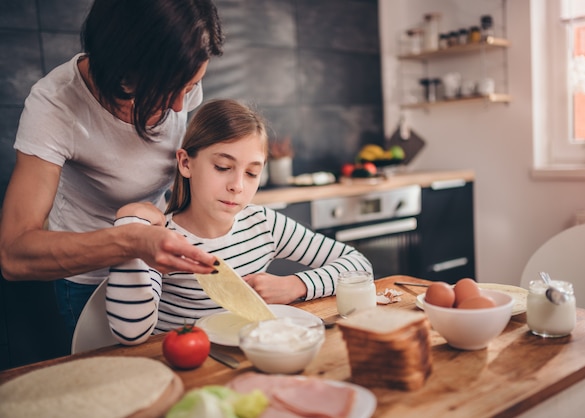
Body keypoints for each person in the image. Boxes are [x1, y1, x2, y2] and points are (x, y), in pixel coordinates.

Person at [0, 0, 225, 337]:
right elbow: (13, 254)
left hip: (160, 263)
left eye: (190, 86)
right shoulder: (55, 105)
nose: (181, 105)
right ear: (122, 68)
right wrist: (131, 242)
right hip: (90, 281)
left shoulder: (178, 79)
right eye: (166, 89)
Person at [106, 99, 373, 344]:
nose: (237, 186)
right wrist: (130, 223)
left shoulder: (264, 224)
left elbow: (360, 267)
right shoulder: (162, 239)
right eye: (223, 167)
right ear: (186, 163)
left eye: (252, 173)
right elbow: (130, 332)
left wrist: (294, 285)